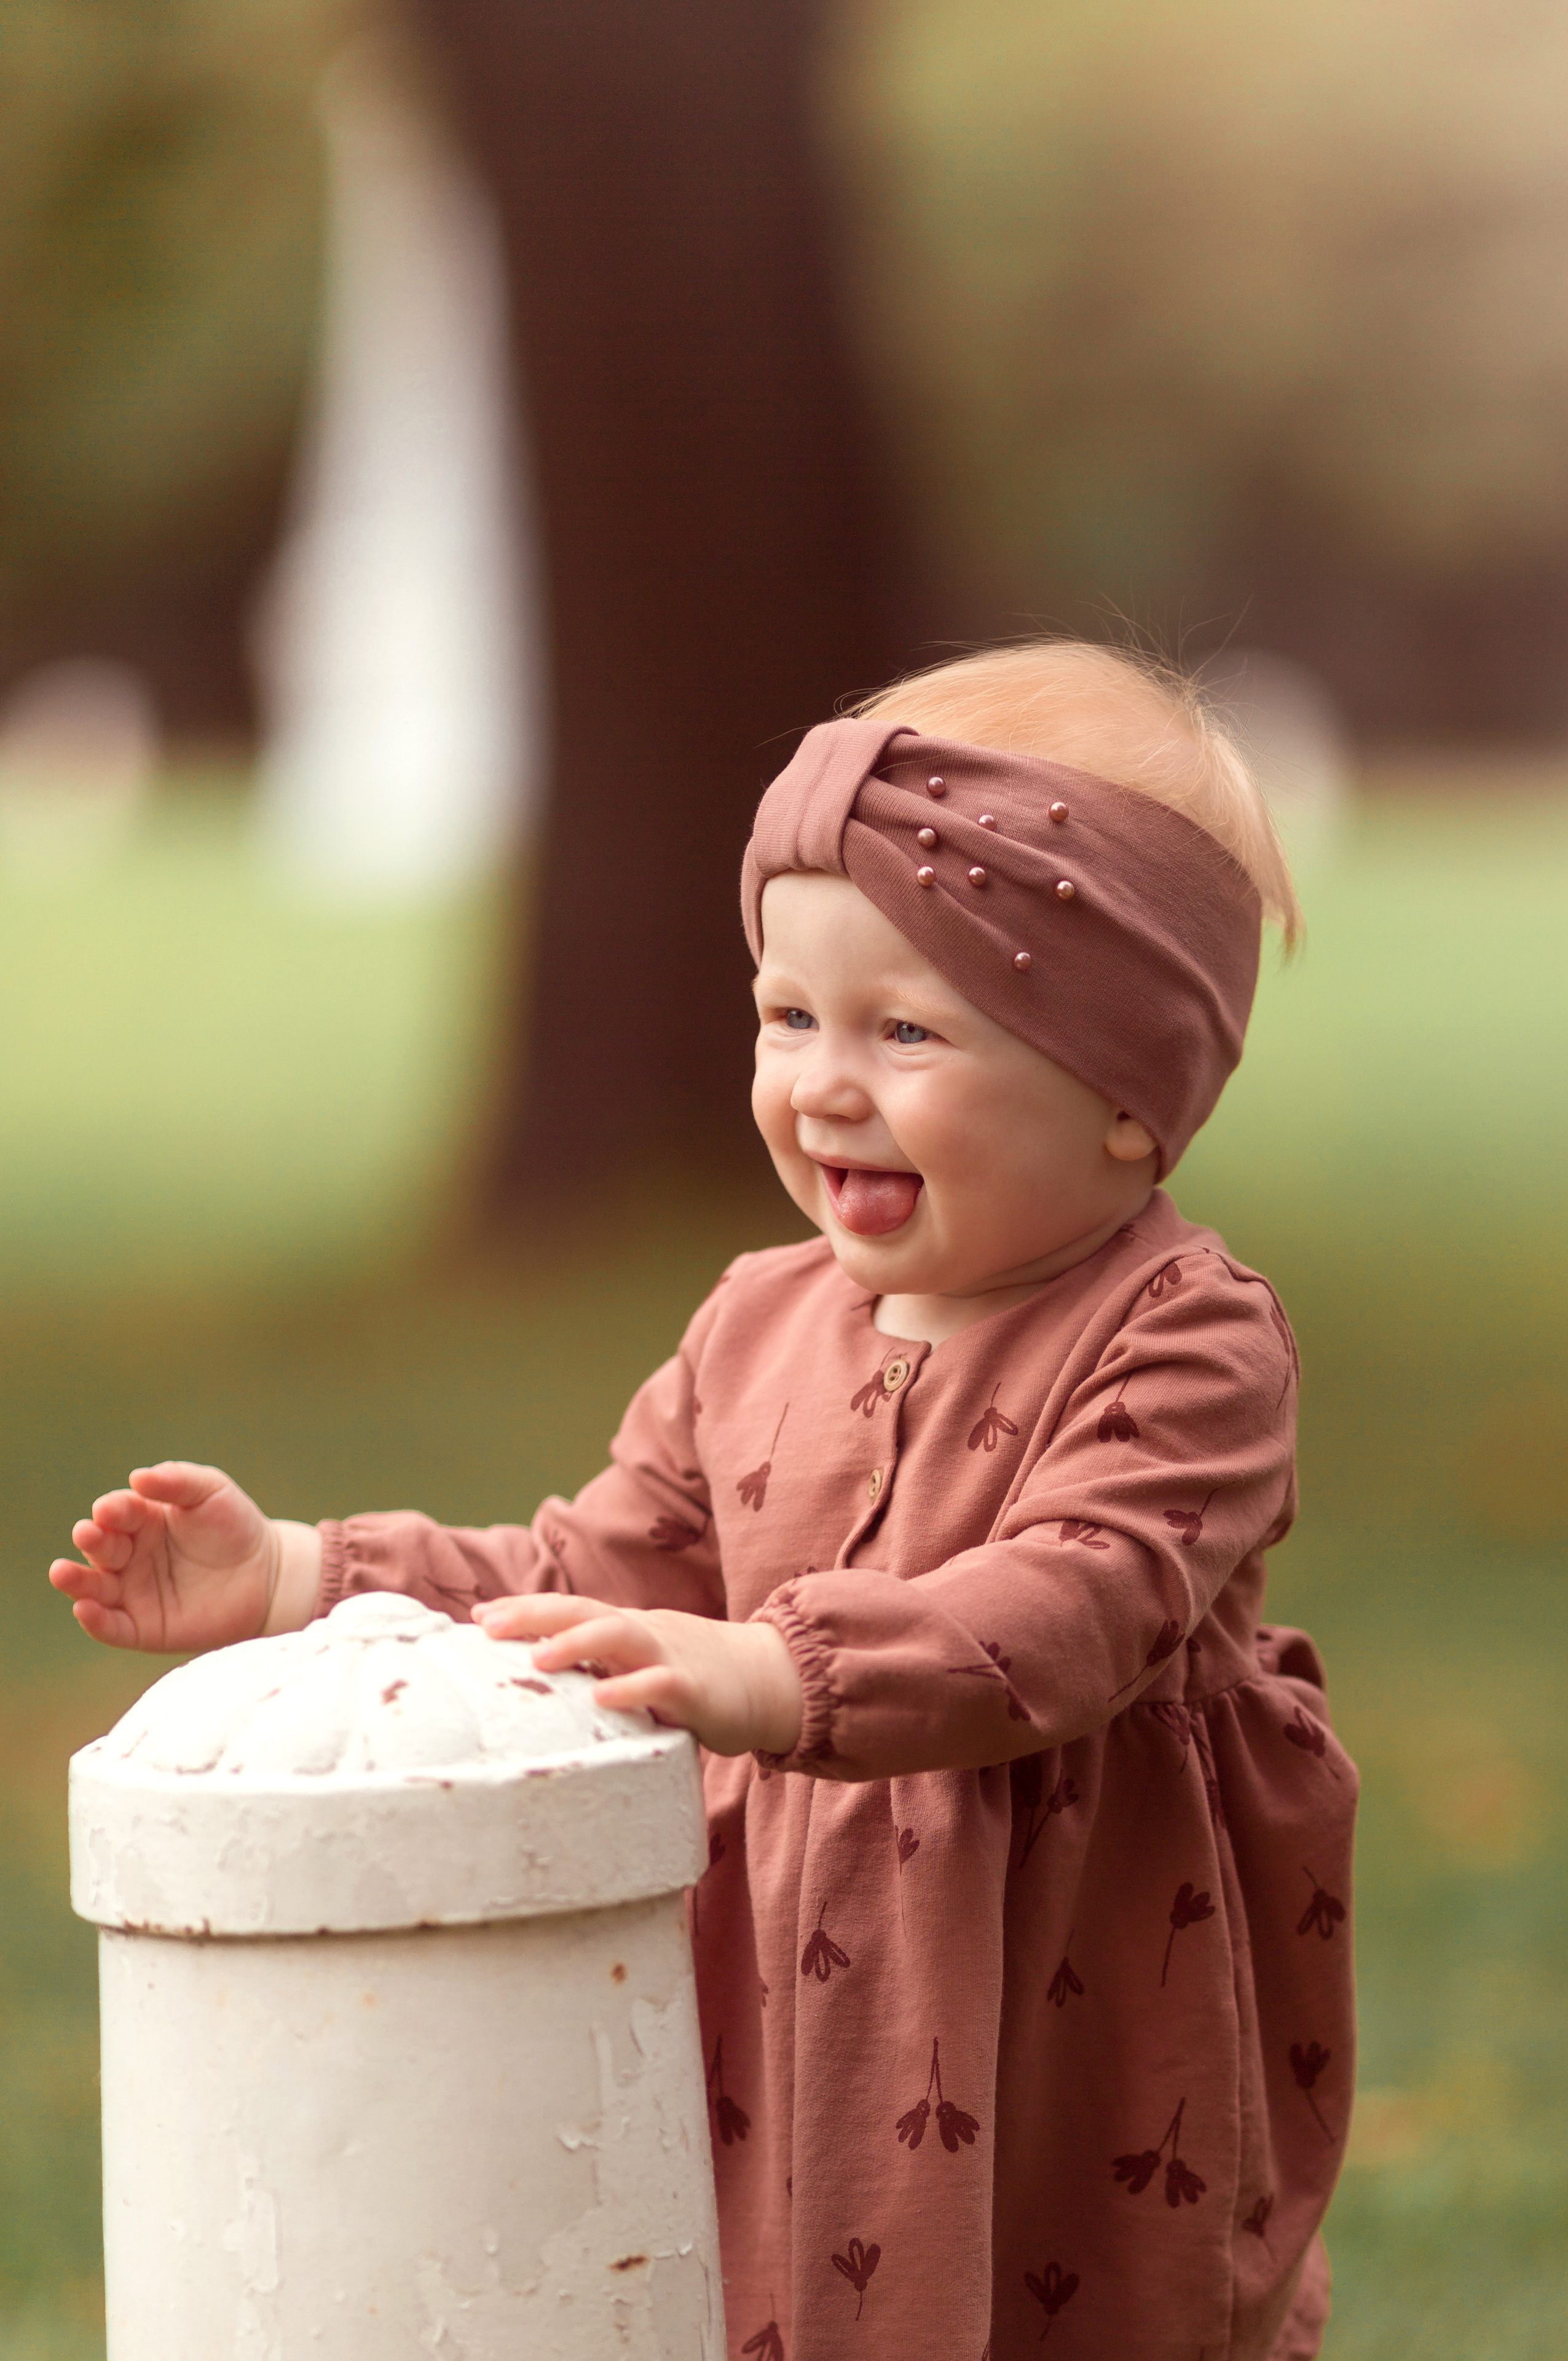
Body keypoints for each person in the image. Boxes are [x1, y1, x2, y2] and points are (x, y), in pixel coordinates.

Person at [52, 640, 1356, 2359]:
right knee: (769, 2285)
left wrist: (770, 1674)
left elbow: (1073, 1609)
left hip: (1082, 1984)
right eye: (789, 1016)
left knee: (1087, 2304)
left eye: (907, 1030)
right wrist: (306, 1572)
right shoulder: (757, 1323)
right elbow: (584, 1574)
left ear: (1129, 1089)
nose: (824, 1082)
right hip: (795, 1979)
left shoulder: (1186, 1339)